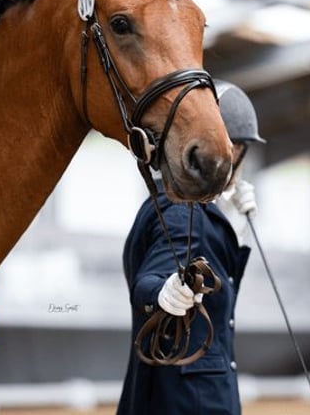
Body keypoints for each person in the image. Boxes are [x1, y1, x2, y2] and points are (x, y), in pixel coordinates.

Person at [117, 79, 266, 415]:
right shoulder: (183, 211)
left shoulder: (171, 205)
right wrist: (161, 293)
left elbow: (216, 294)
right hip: (194, 400)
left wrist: (233, 225)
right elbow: (150, 280)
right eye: (236, 148)